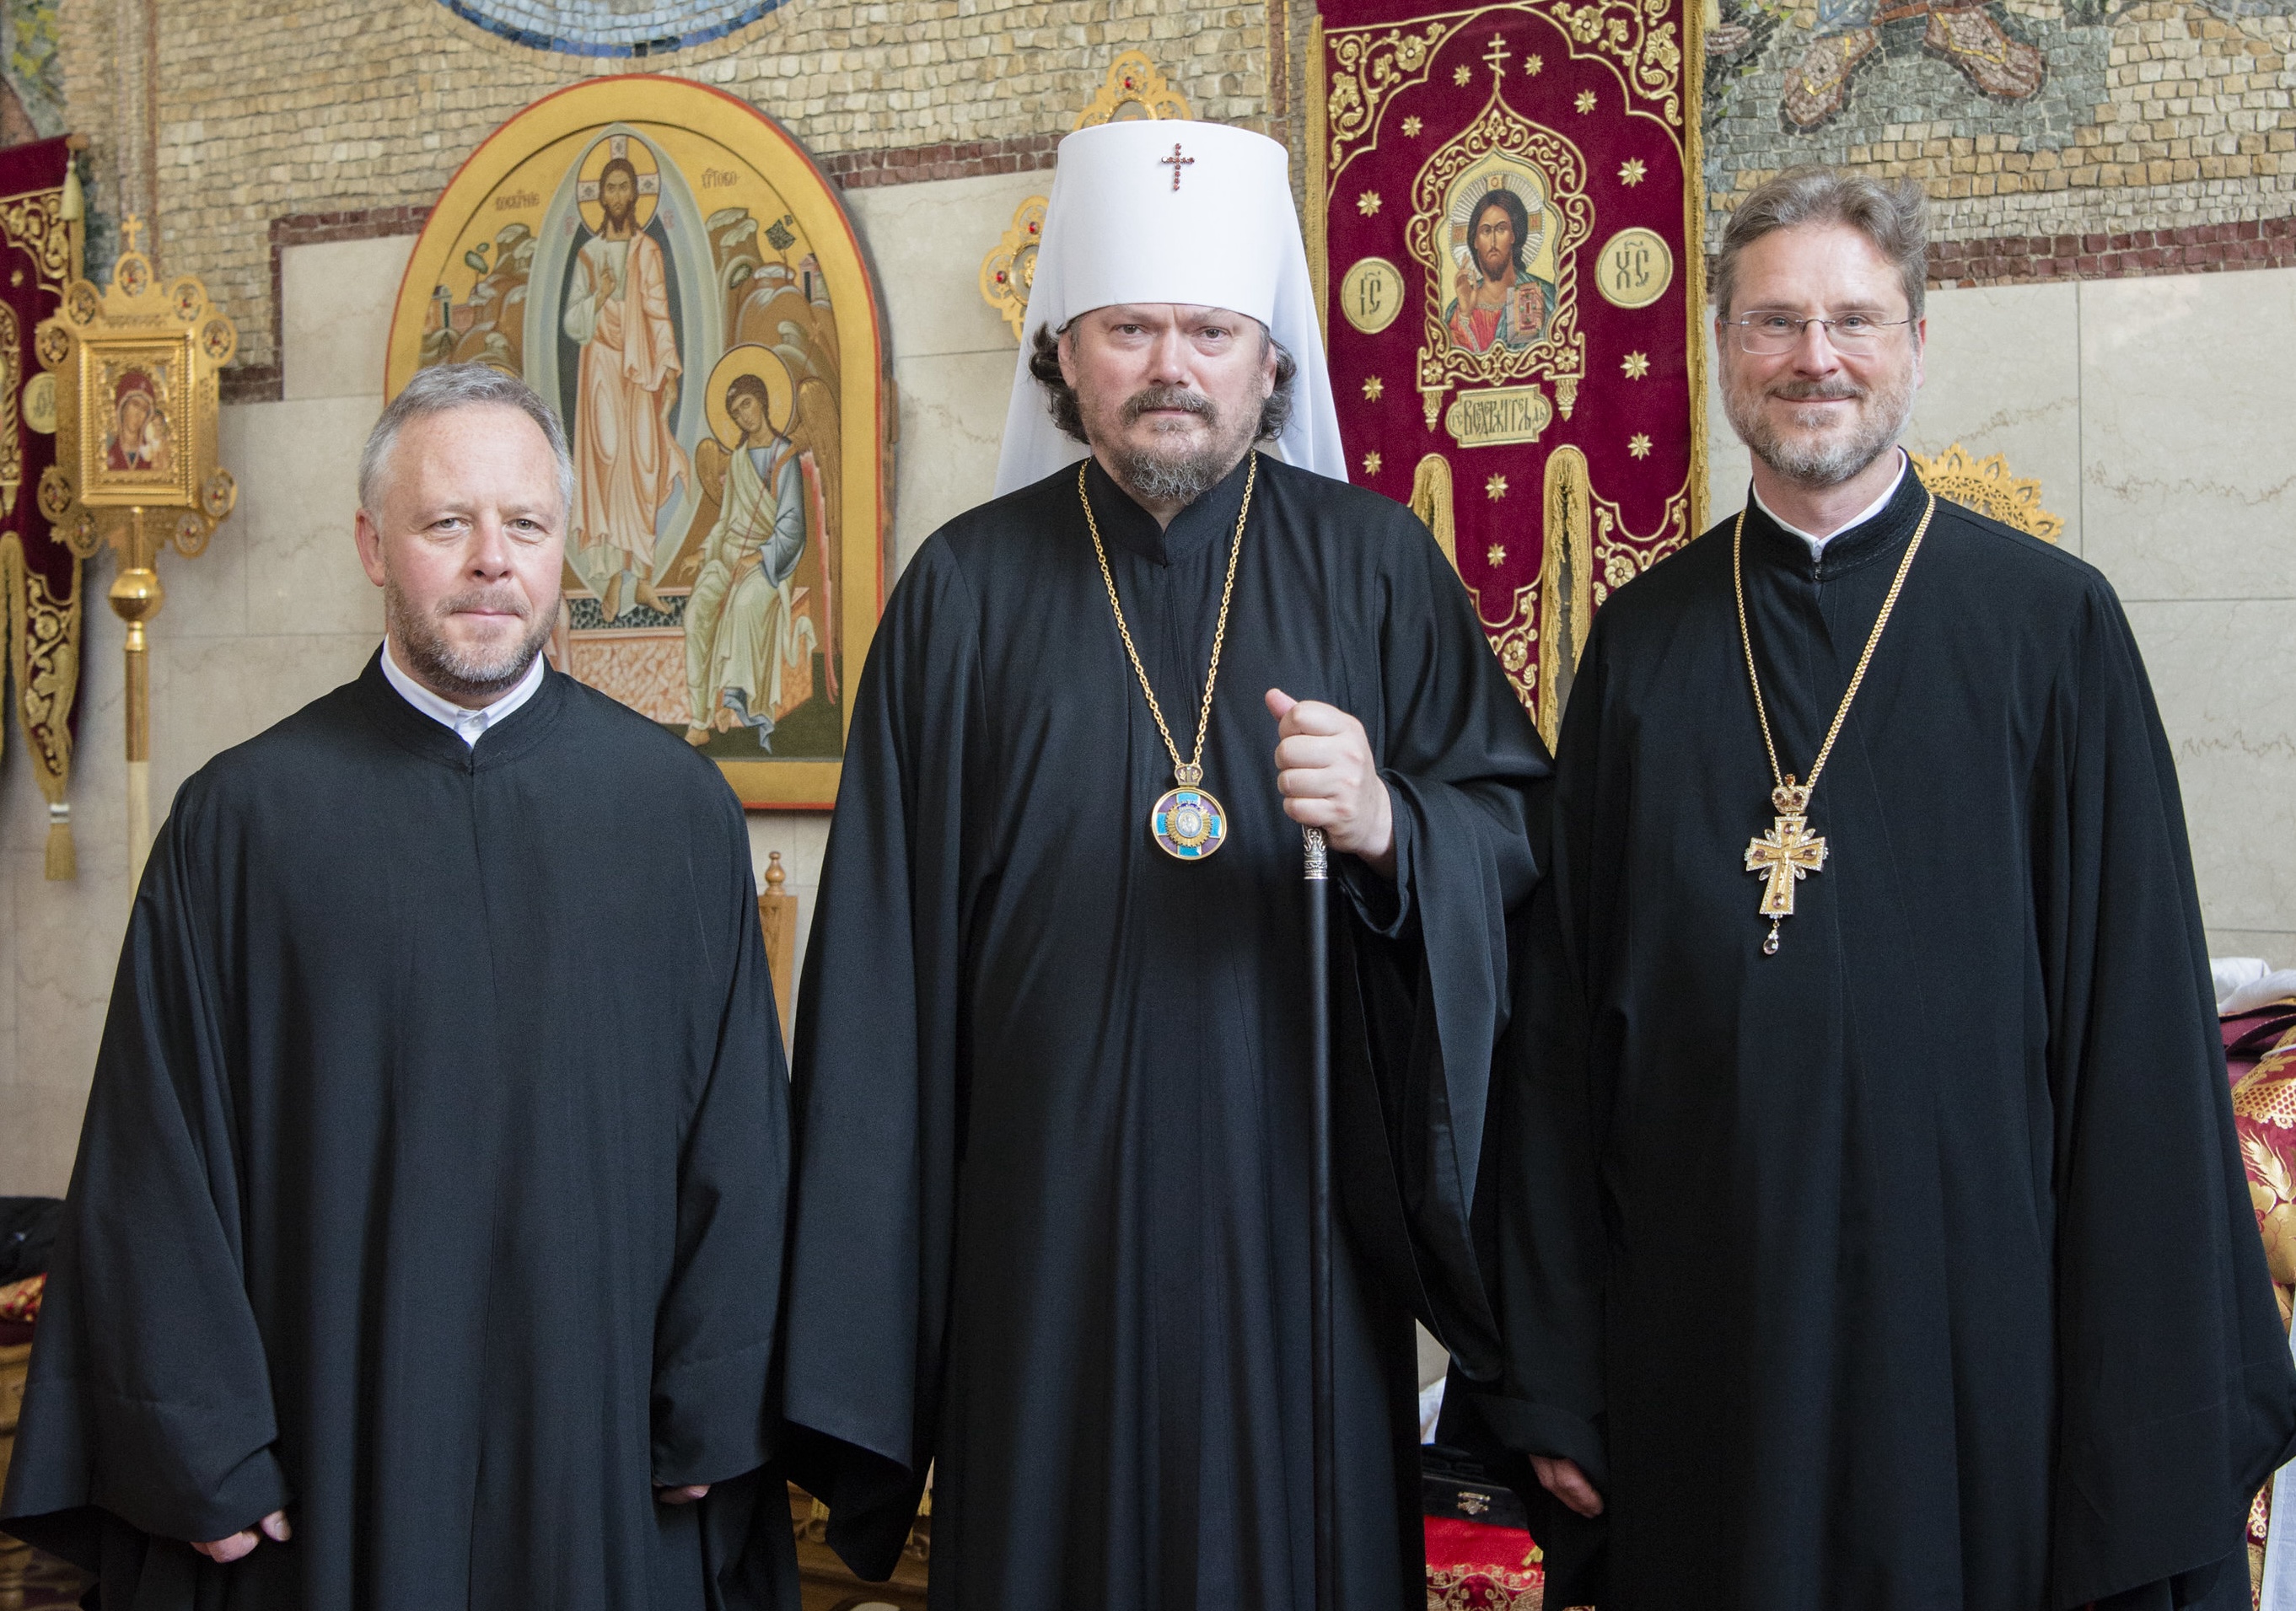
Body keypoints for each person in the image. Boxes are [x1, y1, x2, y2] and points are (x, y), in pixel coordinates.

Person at [1469, 166, 2296, 1608]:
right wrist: (1549, 1370)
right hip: (1706, 1344)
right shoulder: (1644, 650)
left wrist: (2142, 1405)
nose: (1814, 358)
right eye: (1775, 321)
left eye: (1853, 319)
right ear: (1720, 345)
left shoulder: (2050, 633)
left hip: (1980, 1352)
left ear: (1917, 340)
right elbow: (1553, 1045)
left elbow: (2135, 1041)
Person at [777, 119, 1547, 1610]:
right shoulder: (961, 592)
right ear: (1063, 354)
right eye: (1129, 328)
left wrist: (1394, 825)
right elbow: (878, 964)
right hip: (1036, 1238)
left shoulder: (1377, 566)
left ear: (1271, 364)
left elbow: (1521, 832)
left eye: (1209, 329)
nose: (1170, 365)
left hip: (1302, 1233)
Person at [0, 364, 796, 1610]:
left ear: (563, 544)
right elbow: (154, 1162)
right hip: (329, 1461)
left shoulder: (674, 810)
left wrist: (713, 1398)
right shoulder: (243, 820)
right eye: (448, 523)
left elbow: (739, 1143)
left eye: (525, 525)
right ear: (374, 543)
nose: (492, 561)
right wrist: (199, 1444)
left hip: (601, 1456)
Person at [564, 150, 690, 622]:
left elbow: (658, 311)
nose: (618, 195)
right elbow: (575, 325)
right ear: (601, 197)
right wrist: (598, 294)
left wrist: (671, 371)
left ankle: (642, 577)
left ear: (636, 194)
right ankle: (616, 576)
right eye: (610, 188)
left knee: (644, 463)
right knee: (609, 458)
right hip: (600, 368)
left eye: (624, 187)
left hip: (640, 373)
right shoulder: (589, 256)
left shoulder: (648, 251)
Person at [684, 368, 815, 749]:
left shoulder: (784, 456)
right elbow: (726, 520)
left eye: (747, 405)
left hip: (768, 563)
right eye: (737, 412)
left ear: (762, 403)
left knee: (742, 606)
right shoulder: (739, 459)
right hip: (727, 558)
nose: (744, 415)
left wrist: (759, 556)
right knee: (696, 616)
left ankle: (734, 701)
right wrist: (704, 552)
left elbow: (793, 527)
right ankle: (699, 716)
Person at [1444, 185, 1551, 354]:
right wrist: (1464, 316)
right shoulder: (1457, 309)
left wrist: (1544, 327)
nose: (1493, 241)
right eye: (1486, 231)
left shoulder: (1546, 295)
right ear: (1475, 241)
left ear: (1513, 236)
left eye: (1501, 229)